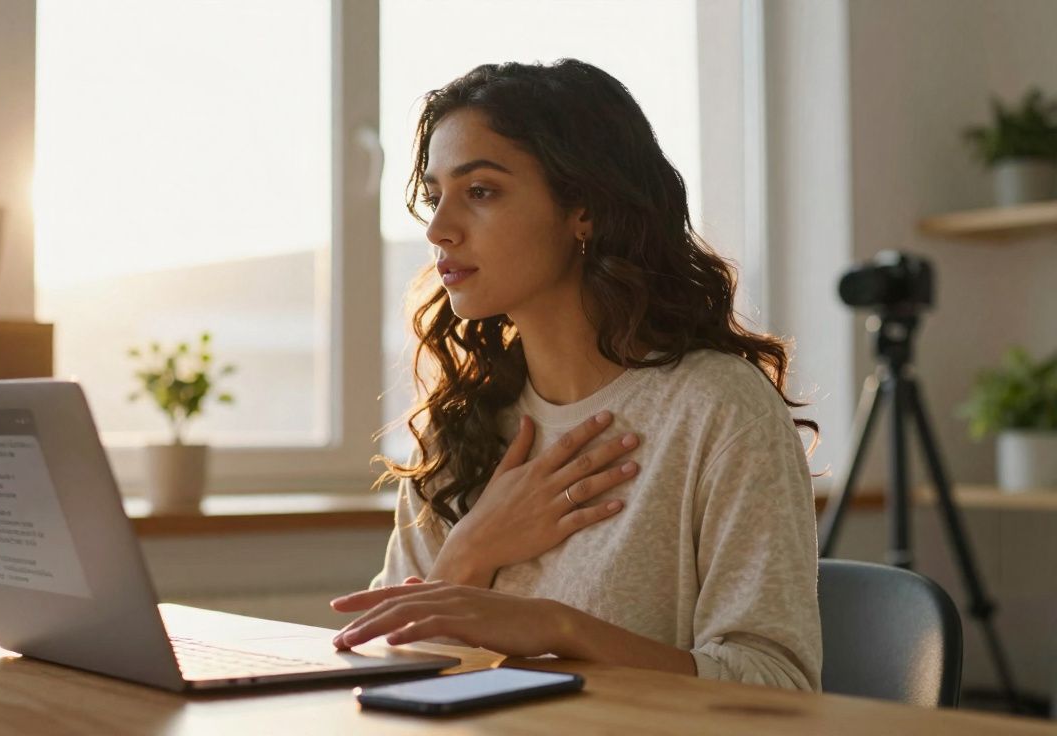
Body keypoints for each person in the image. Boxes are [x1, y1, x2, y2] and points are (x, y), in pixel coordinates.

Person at [329, 59, 823, 692]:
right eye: (434, 197)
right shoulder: (462, 421)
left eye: (480, 191)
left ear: (583, 209)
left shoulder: (718, 409)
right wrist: (473, 550)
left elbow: (780, 686)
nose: (439, 229)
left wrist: (560, 629)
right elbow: (385, 671)